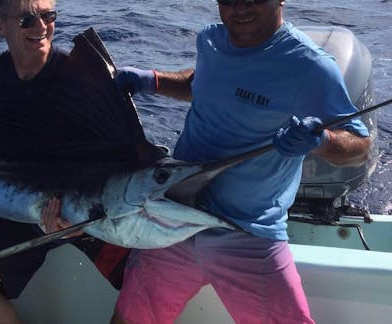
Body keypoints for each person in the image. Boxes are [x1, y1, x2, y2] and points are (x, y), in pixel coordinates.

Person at [111, 1, 370, 323]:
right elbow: (203, 84)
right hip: (172, 221)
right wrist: (153, 80)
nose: (241, 7)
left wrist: (323, 141)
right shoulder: (211, 41)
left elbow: (359, 146)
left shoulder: (310, 66)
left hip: (247, 233)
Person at [0, 0, 129, 323]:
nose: (41, 27)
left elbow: (118, 152)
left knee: (145, 281)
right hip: (26, 209)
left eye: (48, 16)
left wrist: (79, 223)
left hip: (87, 209)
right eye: (27, 20)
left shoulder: (78, 73)